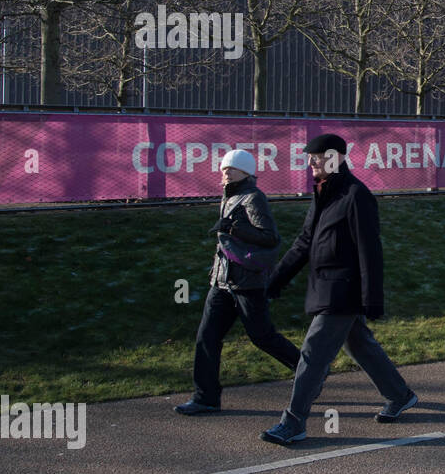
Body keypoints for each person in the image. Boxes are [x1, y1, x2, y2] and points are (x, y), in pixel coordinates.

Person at [260, 133, 418, 445]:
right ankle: (399, 395)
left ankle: (293, 423)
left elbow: (369, 251)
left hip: (343, 292)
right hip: (324, 288)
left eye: (315, 158)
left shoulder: (356, 195)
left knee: (312, 353)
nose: (310, 163)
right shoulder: (323, 193)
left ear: (334, 157)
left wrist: (372, 299)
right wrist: (275, 280)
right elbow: (304, 242)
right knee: (359, 345)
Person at [176, 148, 301, 415]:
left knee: (262, 336)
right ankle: (205, 398)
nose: (225, 172)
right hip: (222, 282)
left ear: (245, 171)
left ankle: (309, 372)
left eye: (231, 169)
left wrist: (234, 228)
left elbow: (270, 238)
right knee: (206, 338)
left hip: (248, 283)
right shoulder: (229, 197)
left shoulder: (254, 198)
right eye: (223, 168)